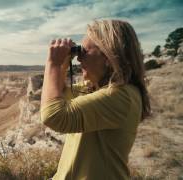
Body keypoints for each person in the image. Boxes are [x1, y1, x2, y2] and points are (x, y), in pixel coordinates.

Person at [40, 19, 151, 180]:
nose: (78, 59)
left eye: (83, 52)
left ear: (108, 57)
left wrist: (53, 63)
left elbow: (53, 115)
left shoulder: (121, 96)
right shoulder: (96, 87)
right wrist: (63, 64)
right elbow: (59, 94)